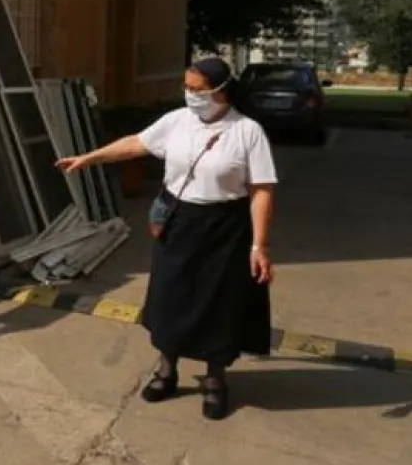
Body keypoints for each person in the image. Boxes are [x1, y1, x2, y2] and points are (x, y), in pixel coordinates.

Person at [55, 57, 276, 420]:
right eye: (186, 87)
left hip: (225, 228)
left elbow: (262, 190)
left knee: (220, 305)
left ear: (221, 91)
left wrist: (259, 245)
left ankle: (215, 380)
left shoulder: (247, 131)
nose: (190, 95)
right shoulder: (177, 121)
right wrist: (89, 158)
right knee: (170, 298)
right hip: (180, 222)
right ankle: (166, 371)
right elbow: (136, 144)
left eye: (198, 89)